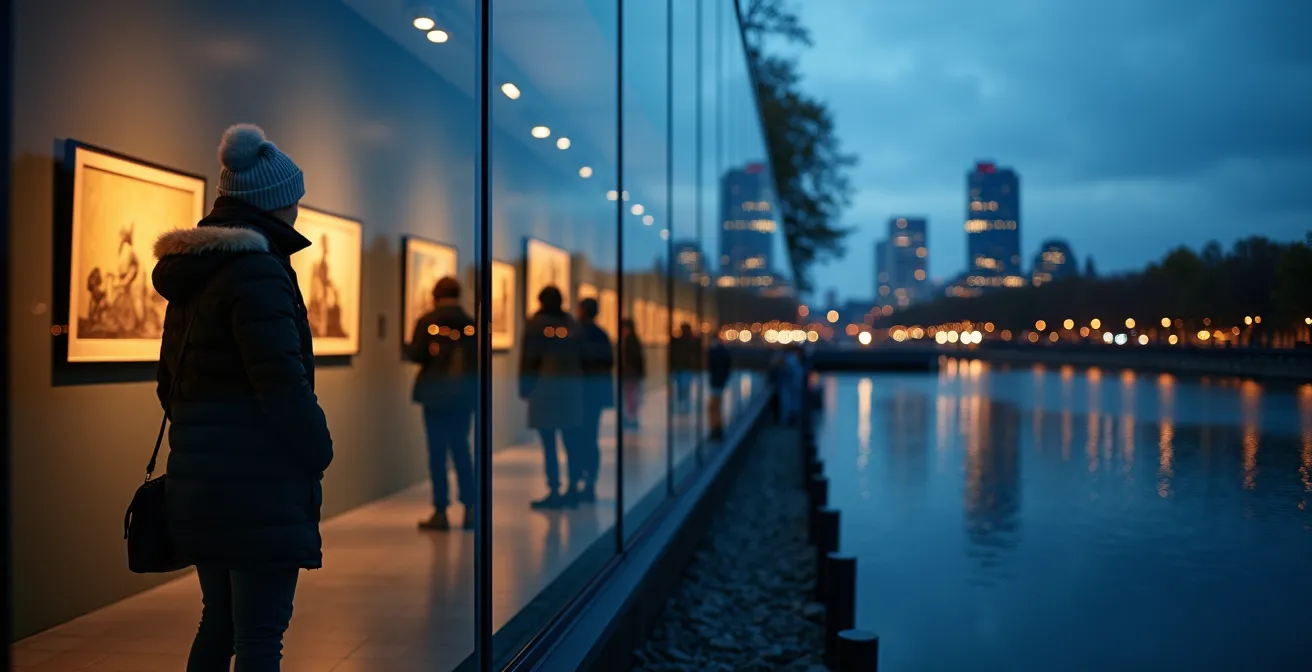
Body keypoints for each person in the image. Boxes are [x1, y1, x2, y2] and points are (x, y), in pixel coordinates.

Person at [152, 124, 332, 671]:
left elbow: (169, 384)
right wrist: (317, 448)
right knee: (259, 634)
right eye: (294, 198)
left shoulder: (200, 271)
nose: (298, 208)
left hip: (201, 476)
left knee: (221, 621)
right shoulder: (259, 272)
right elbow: (281, 383)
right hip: (259, 484)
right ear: (274, 203)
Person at [406, 277, 477, 531]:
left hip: (435, 396)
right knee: (462, 450)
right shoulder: (470, 323)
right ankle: (470, 509)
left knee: (437, 453)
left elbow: (417, 354)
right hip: (463, 396)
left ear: (436, 295)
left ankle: (440, 511)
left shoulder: (427, 321)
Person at [519, 286, 585, 509]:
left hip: (544, 390)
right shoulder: (572, 325)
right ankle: (573, 487)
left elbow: (529, 359)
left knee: (549, 444)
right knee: (572, 442)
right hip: (570, 391)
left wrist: (524, 386)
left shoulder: (536, 325)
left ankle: (555, 488)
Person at [573, 297, 614, 503]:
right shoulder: (601, 334)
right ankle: (589, 481)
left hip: (580, 393)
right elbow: (608, 362)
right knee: (590, 438)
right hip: (594, 394)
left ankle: (579, 479)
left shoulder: (577, 334)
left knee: (578, 439)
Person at [619, 318, 646, 429]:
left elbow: (634, 359)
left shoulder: (630, 341)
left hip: (630, 374)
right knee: (631, 397)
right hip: (631, 374)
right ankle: (631, 418)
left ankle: (631, 418)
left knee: (631, 397)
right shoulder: (631, 340)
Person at [706, 335, 732, 440]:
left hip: (717, 381)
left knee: (714, 406)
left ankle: (716, 429)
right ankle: (716, 428)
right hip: (719, 381)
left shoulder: (716, 352)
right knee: (715, 406)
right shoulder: (723, 352)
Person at [670, 322, 699, 412]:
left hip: (684, 368)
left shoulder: (686, 341)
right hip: (683, 368)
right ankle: (683, 404)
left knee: (683, 388)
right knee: (683, 388)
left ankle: (683, 404)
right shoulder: (688, 341)